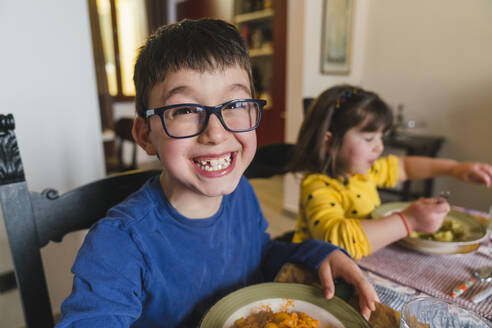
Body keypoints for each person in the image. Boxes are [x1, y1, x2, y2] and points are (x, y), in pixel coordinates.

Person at [55, 20, 378, 328]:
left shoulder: (240, 193)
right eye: (184, 110)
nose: (215, 132)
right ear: (144, 136)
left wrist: (318, 252)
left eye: (235, 104)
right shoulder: (119, 243)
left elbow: (258, 256)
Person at [289, 84, 492, 260]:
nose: (379, 147)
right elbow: (334, 240)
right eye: (369, 139)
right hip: (314, 273)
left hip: (365, 258)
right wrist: (408, 221)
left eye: (380, 137)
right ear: (329, 141)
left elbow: (404, 167)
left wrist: (454, 169)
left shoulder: (363, 172)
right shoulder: (317, 184)